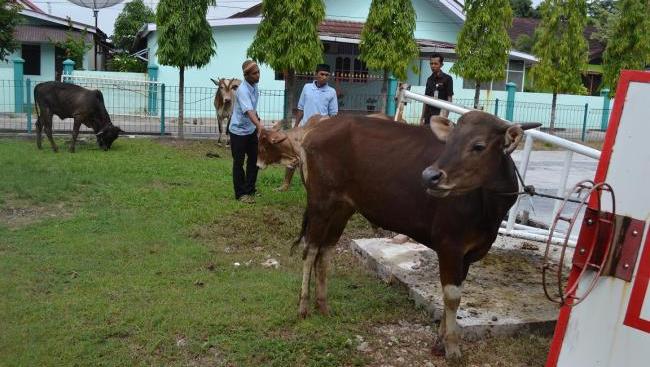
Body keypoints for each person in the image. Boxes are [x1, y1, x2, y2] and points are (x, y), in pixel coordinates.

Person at [275, 63, 338, 191]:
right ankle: (286, 183)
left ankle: (316, 186)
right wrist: (296, 126)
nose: (324, 77)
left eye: (327, 75)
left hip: (321, 132)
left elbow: (333, 115)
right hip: (304, 129)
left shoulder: (331, 92)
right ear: (316, 74)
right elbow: (300, 108)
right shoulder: (307, 88)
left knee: (318, 159)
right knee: (294, 157)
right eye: (322, 74)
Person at [229, 60, 264, 204]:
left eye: (258, 72)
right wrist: (259, 125)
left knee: (255, 160)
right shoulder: (242, 90)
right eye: (255, 73)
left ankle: (250, 189)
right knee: (238, 163)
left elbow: (253, 109)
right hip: (238, 132)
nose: (258, 76)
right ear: (246, 75)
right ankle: (241, 194)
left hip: (250, 130)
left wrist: (256, 123)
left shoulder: (254, 86)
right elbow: (249, 111)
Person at [420, 53, 454, 125]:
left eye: (436, 64)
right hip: (428, 117)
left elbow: (449, 99)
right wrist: (422, 117)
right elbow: (425, 99)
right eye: (431, 63)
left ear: (441, 65)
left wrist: (444, 118)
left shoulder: (448, 79)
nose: (433, 66)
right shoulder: (429, 79)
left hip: (440, 116)